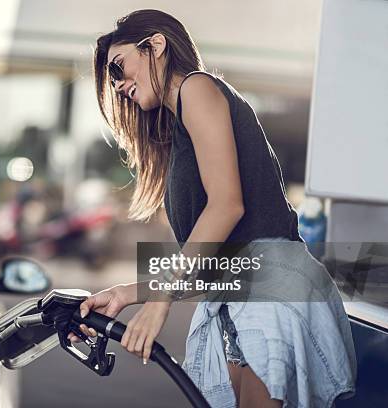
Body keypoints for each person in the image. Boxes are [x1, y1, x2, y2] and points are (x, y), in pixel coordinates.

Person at [69, 9, 356, 407]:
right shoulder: (180, 132)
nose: (118, 86)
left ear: (155, 45)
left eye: (119, 68)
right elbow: (219, 265)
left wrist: (160, 303)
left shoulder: (197, 88)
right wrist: (126, 293)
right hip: (244, 294)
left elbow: (226, 207)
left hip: (270, 293)